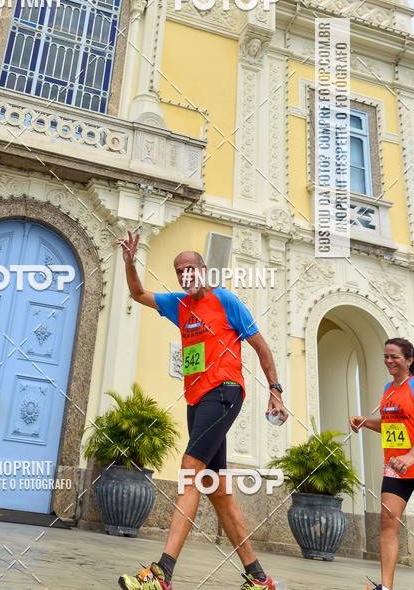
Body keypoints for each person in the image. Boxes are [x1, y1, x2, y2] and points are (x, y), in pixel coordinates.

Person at [116, 232, 289, 590]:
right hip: (196, 402)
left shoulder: (225, 300)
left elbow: (261, 346)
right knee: (218, 491)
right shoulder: (179, 305)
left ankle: (162, 573)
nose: (185, 276)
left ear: (204, 270)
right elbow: (137, 294)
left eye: (190, 268)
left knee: (189, 471)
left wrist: (275, 391)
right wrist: (130, 263)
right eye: (179, 271)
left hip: (224, 393)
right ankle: (259, 578)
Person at [351, 338, 414, 590]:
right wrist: (365, 422)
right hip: (395, 468)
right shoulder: (388, 389)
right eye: (386, 356)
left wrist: (412, 456)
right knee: (387, 520)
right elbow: (391, 425)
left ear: (409, 360)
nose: (389, 361)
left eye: (394, 356)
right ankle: (386, 586)